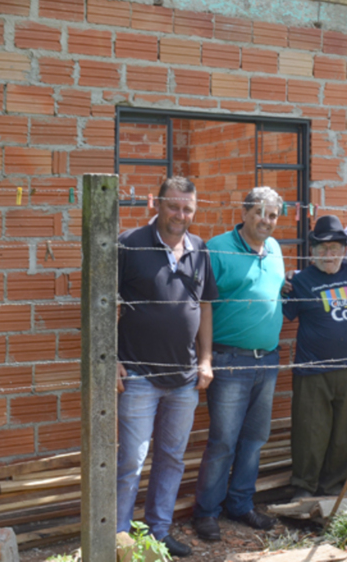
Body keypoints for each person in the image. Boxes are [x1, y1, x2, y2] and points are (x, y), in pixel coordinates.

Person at [116, 176, 217, 558]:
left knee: (172, 458)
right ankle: (120, 541)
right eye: (173, 206)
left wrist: (205, 360)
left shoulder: (198, 248)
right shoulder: (129, 244)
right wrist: (110, 361)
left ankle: (157, 535)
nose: (180, 215)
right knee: (131, 460)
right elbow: (107, 301)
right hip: (139, 374)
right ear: (154, 203)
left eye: (188, 208)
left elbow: (205, 306)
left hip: (185, 378)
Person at [193, 187, 285, 541]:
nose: (266, 220)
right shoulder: (217, 248)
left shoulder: (275, 249)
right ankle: (206, 513)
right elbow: (201, 304)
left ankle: (241, 504)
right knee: (223, 441)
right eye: (260, 212)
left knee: (255, 439)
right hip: (229, 360)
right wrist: (204, 357)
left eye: (273, 215)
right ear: (245, 212)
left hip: (268, 360)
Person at [283, 215, 347, 500]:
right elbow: (283, 312)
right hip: (312, 371)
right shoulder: (301, 281)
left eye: (335, 248)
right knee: (310, 433)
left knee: (345, 433)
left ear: (344, 250)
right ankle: (304, 488)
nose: (329, 255)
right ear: (313, 251)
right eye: (322, 249)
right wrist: (283, 281)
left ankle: (335, 488)